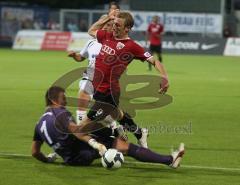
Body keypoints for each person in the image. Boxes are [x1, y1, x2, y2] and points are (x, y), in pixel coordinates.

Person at [75, 11, 169, 146]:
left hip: (109, 92)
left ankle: (109, 147)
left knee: (83, 126)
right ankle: (139, 133)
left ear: (127, 28)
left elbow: (154, 61)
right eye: (113, 24)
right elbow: (91, 30)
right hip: (98, 89)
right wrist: (109, 17)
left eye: (118, 25)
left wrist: (164, 77)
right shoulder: (107, 36)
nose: (114, 27)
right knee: (117, 115)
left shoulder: (132, 46)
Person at [31, 86, 185, 168]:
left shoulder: (39, 124)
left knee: (102, 123)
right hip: (83, 153)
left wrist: (48, 159)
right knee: (125, 146)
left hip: (70, 159)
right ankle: (169, 160)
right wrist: (96, 144)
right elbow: (76, 131)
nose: (65, 102)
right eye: (63, 99)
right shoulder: (60, 113)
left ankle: (115, 128)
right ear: (54, 100)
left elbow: (35, 152)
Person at [68, 17, 148, 147]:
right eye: (104, 25)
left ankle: (91, 134)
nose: (105, 27)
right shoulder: (91, 43)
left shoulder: (113, 43)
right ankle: (90, 134)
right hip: (90, 77)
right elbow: (81, 57)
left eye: (109, 25)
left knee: (110, 114)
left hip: (107, 83)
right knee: (90, 106)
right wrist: (74, 56)